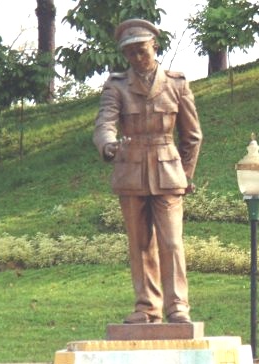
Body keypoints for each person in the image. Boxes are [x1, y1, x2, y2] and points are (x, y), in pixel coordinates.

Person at [93, 19, 202, 324]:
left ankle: (177, 306)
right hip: (131, 173)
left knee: (171, 242)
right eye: (130, 53)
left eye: (141, 50)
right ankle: (147, 307)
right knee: (140, 244)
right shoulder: (116, 86)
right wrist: (108, 145)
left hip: (168, 173)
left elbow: (192, 135)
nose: (137, 58)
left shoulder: (176, 84)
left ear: (154, 46)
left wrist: (186, 175)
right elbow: (105, 122)